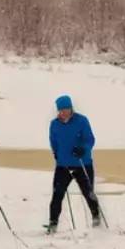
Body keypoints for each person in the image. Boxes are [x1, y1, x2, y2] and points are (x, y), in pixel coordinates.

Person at [46, 94, 102, 232]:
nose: (63, 113)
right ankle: (53, 223)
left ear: (71, 108)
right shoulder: (54, 124)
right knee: (57, 195)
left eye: (66, 109)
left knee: (88, 193)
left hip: (82, 164)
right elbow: (53, 141)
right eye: (61, 110)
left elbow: (90, 139)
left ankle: (96, 217)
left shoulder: (81, 121)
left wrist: (83, 149)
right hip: (63, 166)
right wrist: (56, 153)